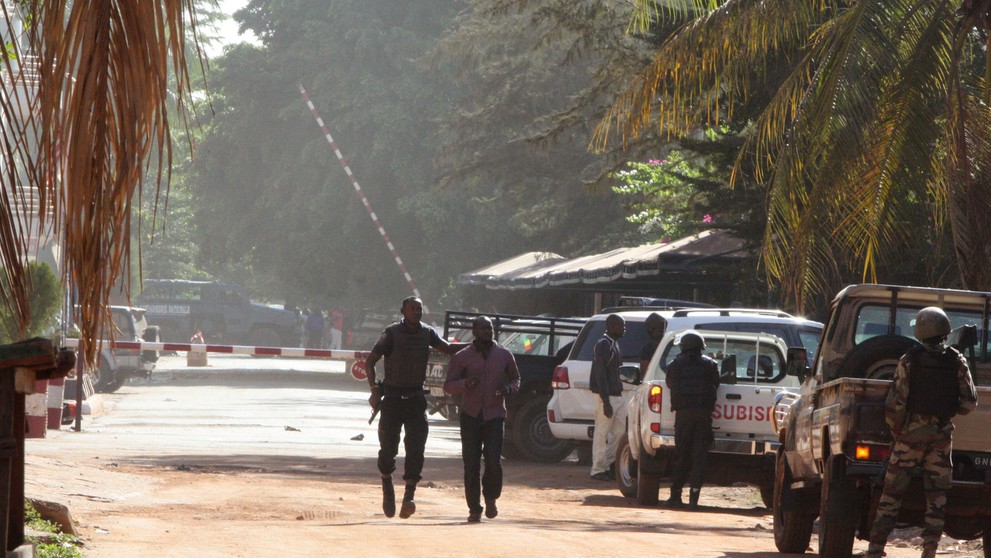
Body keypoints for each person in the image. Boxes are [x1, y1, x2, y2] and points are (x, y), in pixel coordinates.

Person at [865, 307, 977, 558]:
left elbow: (896, 405)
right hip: (940, 435)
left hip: (910, 435)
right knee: (936, 497)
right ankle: (929, 551)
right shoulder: (957, 360)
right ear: (945, 330)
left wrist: (899, 434)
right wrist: (945, 412)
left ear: (920, 331)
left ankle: (875, 548)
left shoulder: (909, 360)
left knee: (891, 494)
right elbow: (969, 403)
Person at [365, 296, 458, 519]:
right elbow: (370, 361)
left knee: (416, 448)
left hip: (416, 399)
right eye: (413, 308)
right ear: (403, 311)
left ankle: (409, 496)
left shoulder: (427, 332)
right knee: (388, 450)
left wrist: (475, 346)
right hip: (393, 399)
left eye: (419, 309)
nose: (417, 312)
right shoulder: (392, 333)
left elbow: (447, 349)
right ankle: (387, 486)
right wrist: (374, 390)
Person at [444, 316, 520, 523]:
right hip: (470, 416)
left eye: (490, 328)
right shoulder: (462, 357)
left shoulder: (504, 355)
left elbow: (516, 379)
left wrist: (508, 388)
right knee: (471, 464)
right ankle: (474, 509)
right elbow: (448, 385)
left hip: (495, 415)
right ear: (474, 331)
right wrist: (465, 383)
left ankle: (491, 498)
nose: (488, 331)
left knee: (494, 461)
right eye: (483, 328)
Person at [665, 330, 719, 508]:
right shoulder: (710, 364)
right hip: (704, 416)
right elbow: (716, 384)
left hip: (684, 416)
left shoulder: (674, 365)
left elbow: (670, 383)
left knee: (681, 454)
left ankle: (675, 496)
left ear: (683, 346)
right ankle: (694, 498)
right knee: (699, 456)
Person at [589, 313, 626, 481]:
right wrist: (605, 401)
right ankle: (597, 469)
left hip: (617, 395)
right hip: (607, 397)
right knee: (601, 432)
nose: (624, 329)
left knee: (619, 432)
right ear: (611, 326)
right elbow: (600, 374)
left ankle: (610, 464)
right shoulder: (603, 345)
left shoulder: (614, 344)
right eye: (621, 326)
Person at [639, 312, 668, 382]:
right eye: (660, 329)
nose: (663, 331)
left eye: (662, 328)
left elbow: (644, 371)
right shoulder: (670, 344)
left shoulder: (648, 348)